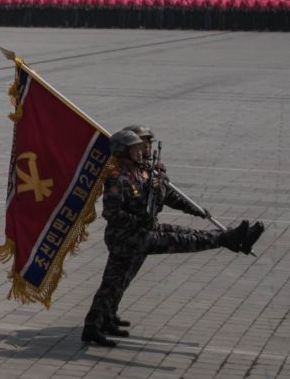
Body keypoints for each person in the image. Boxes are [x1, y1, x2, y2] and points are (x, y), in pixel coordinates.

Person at [81, 126, 262, 346]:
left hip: (141, 233)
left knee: (119, 280)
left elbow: (167, 196)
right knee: (180, 242)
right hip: (128, 239)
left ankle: (105, 319)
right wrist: (138, 221)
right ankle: (92, 327)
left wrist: (194, 209)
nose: (142, 151)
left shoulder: (141, 172)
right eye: (136, 148)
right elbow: (111, 213)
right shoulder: (118, 179)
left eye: (142, 147)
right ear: (123, 152)